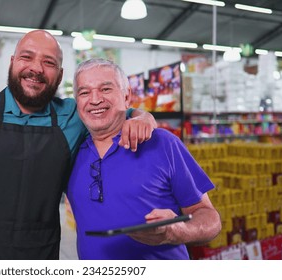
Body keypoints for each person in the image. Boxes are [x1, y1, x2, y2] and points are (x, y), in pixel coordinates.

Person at [0, 30, 157, 260]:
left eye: (49, 62)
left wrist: (142, 116)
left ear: (60, 74)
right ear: (12, 62)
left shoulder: (73, 117)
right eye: (27, 57)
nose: (36, 68)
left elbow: (114, 109)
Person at [67, 58, 221, 260]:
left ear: (127, 96)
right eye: (84, 92)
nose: (95, 99)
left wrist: (178, 231)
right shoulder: (71, 152)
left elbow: (210, 218)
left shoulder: (162, 143)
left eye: (106, 89)